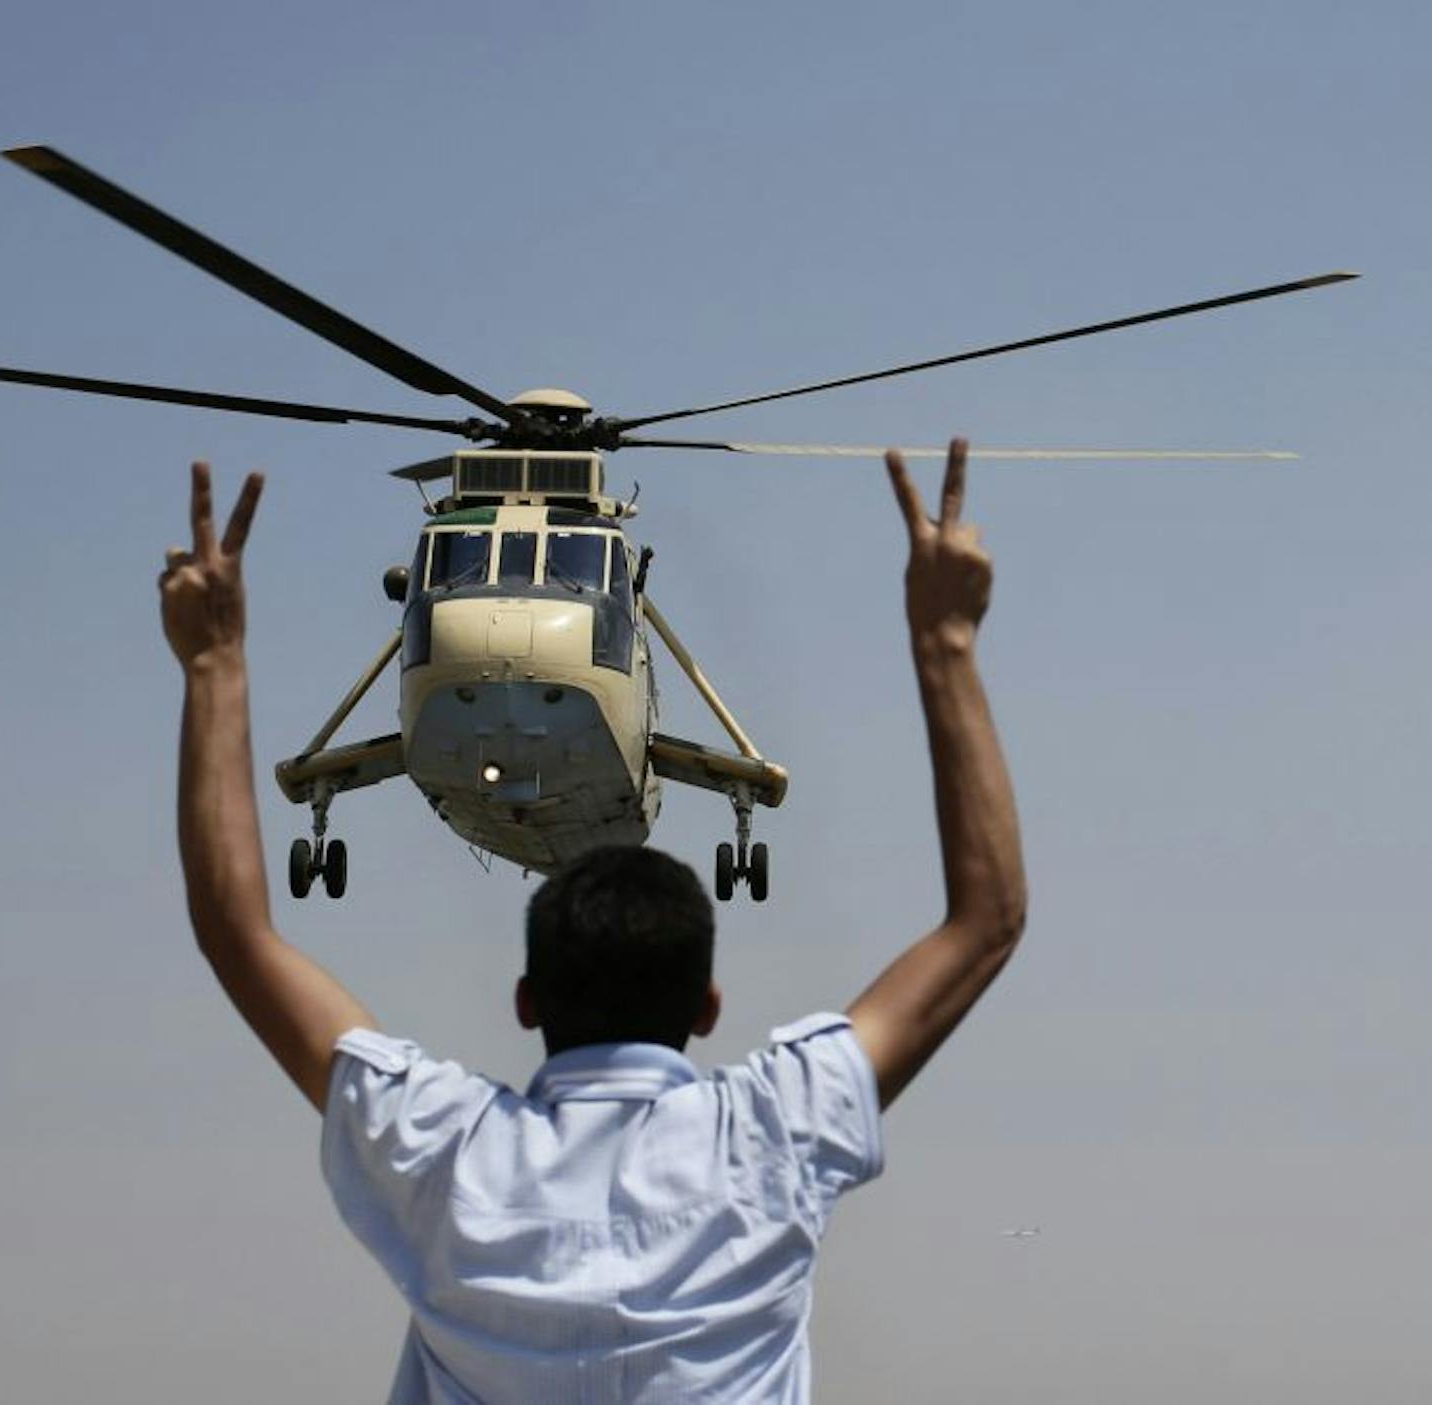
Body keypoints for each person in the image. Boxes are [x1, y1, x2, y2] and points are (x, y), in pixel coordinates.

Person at [159, 439, 1026, 1402]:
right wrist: (946, 641)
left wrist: (213, 664)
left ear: (526, 1001)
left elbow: (234, 930)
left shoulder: (447, 1152)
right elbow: (986, 919)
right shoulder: (769, 1136)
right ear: (707, 1004)